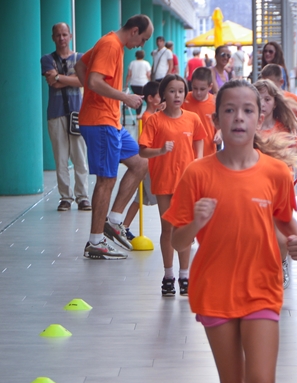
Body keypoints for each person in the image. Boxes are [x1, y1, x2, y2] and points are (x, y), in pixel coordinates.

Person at [164, 79, 297, 383]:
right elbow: (177, 238)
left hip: (262, 288)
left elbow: (287, 226)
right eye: (230, 111)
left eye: (247, 111)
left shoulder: (276, 173)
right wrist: (195, 223)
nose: (239, 118)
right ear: (217, 120)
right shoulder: (198, 174)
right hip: (215, 292)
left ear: (260, 117)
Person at [74, 15, 152, 259]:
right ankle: (95, 241)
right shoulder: (110, 45)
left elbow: (80, 66)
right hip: (101, 123)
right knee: (106, 180)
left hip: (110, 122)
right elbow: (95, 81)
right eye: (143, 39)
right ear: (134, 30)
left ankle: (114, 220)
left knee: (141, 162)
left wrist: (96, 94)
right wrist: (123, 97)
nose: (142, 45)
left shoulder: (109, 42)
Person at [138, 75, 206, 297]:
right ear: (163, 94)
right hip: (163, 179)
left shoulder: (193, 118)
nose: (177, 95)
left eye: (180, 91)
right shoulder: (155, 120)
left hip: (186, 182)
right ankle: (168, 276)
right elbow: (143, 151)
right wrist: (160, 151)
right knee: (167, 228)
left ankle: (184, 275)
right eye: (172, 91)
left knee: (184, 227)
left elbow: (199, 139)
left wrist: (198, 160)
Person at [255, 78, 297, 288]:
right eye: (259, 98)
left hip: (281, 186)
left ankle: (281, 263)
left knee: (281, 234)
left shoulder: (284, 128)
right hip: (255, 186)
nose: (263, 103)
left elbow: (295, 152)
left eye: (267, 98)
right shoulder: (249, 127)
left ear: (275, 102)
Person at [41, 23, 91, 211]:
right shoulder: (47, 59)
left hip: (78, 113)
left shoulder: (80, 58)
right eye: (58, 35)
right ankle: (65, 197)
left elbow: (82, 81)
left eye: (64, 34)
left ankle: (83, 196)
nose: (61, 38)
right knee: (61, 158)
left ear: (70, 36)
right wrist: (70, 79)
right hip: (56, 114)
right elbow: (52, 83)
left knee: (80, 156)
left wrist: (59, 77)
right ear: (53, 38)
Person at [122, 81, 161, 241]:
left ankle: (123, 227)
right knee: (166, 197)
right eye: (160, 96)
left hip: (152, 165)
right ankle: (174, 227)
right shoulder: (148, 117)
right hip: (150, 166)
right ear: (151, 98)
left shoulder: (153, 115)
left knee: (139, 200)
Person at [184, 67, 219, 157]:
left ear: (210, 86)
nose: (198, 92)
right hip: (186, 154)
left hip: (208, 154)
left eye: (202, 89)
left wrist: (220, 134)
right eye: (195, 88)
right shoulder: (183, 100)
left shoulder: (215, 103)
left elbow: (221, 126)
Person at [125, 49, 151, 115]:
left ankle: (138, 114)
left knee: (138, 98)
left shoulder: (132, 63)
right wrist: (150, 81)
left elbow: (129, 74)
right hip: (143, 83)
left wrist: (126, 83)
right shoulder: (146, 63)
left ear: (136, 56)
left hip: (134, 84)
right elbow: (148, 74)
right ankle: (143, 113)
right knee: (144, 98)